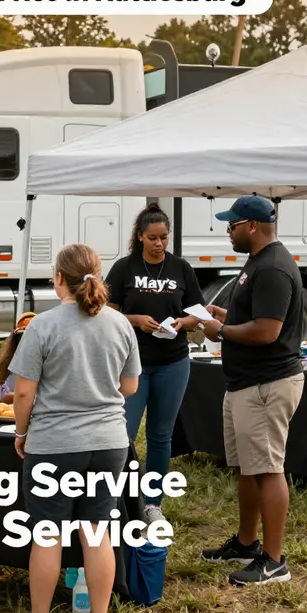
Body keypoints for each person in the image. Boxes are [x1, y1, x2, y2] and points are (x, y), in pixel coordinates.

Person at [9, 244, 141, 613]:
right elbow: (130, 386)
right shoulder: (120, 324)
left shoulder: (43, 325)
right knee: (97, 532)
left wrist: (21, 432)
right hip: (109, 442)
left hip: (54, 443)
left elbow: (23, 393)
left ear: (58, 279)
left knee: (47, 534)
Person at [201, 195, 304, 586]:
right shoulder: (258, 261)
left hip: (266, 384)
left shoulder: (273, 267)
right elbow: (257, 317)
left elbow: (267, 331)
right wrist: (224, 317)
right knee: (248, 468)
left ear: (252, 226)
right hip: (247, 383)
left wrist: (222, 331)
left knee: (268, 469)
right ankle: (247, 544)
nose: (228, 231)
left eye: (232, 224)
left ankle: (275, 562)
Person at [105, 203, 205, 523]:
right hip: (132, 364)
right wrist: (136, 320)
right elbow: (105, 313)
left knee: (161, 435)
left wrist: (182, 323)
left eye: (164, 237)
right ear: (140, 237)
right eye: (152, 238)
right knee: (123, 433)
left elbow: (198, 314)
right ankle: (120, 501)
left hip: (173, 362)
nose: (159, 243)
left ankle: (152, 504)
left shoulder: (181, 269)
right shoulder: (124, 268)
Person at [0, 312, 36, 405]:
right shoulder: (1, 367)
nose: (25, 343)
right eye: (21, 338)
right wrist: (7, 401)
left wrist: (17, 397)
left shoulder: (48, 368)